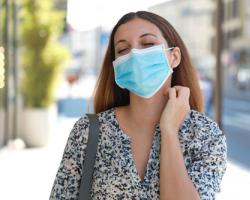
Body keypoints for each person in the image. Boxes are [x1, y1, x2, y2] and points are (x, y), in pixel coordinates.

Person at [50, 11, 227, 200]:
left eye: (148, 44)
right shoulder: (88, 131)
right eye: (123, 49)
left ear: (174, 57)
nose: (134, 54)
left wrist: (169, 130)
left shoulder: (205, 134)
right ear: (116, 65)